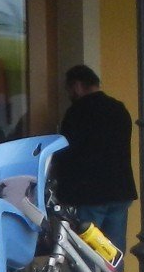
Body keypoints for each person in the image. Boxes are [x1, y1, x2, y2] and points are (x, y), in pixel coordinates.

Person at [52, 64, 136, 251]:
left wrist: (62, 190)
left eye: (69, 89)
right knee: (113, 252)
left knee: (85, 252)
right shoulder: (118, 108)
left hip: (89, 193)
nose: (69, 94)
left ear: (77, 86)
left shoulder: (77, 112)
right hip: (119, 190)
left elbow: (66, 152)